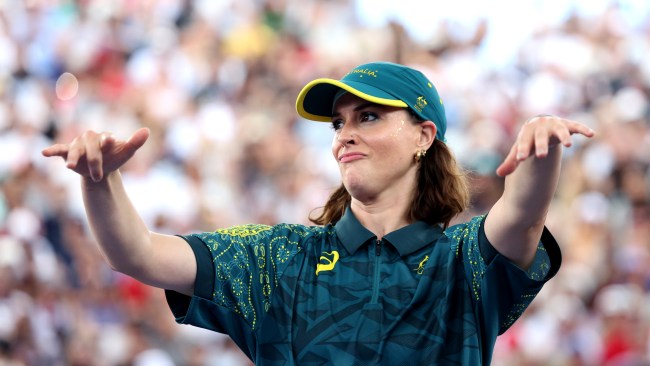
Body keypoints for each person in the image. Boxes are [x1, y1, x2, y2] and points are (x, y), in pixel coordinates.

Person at [42, 61, 594, 365]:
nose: (345, 136)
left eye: (369, 117)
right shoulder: (279, 256)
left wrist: (542, 152)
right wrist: (100, 181)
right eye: (338, 124)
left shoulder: (461, 259)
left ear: (425, 135)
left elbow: (520, 219)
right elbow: (137, 252)